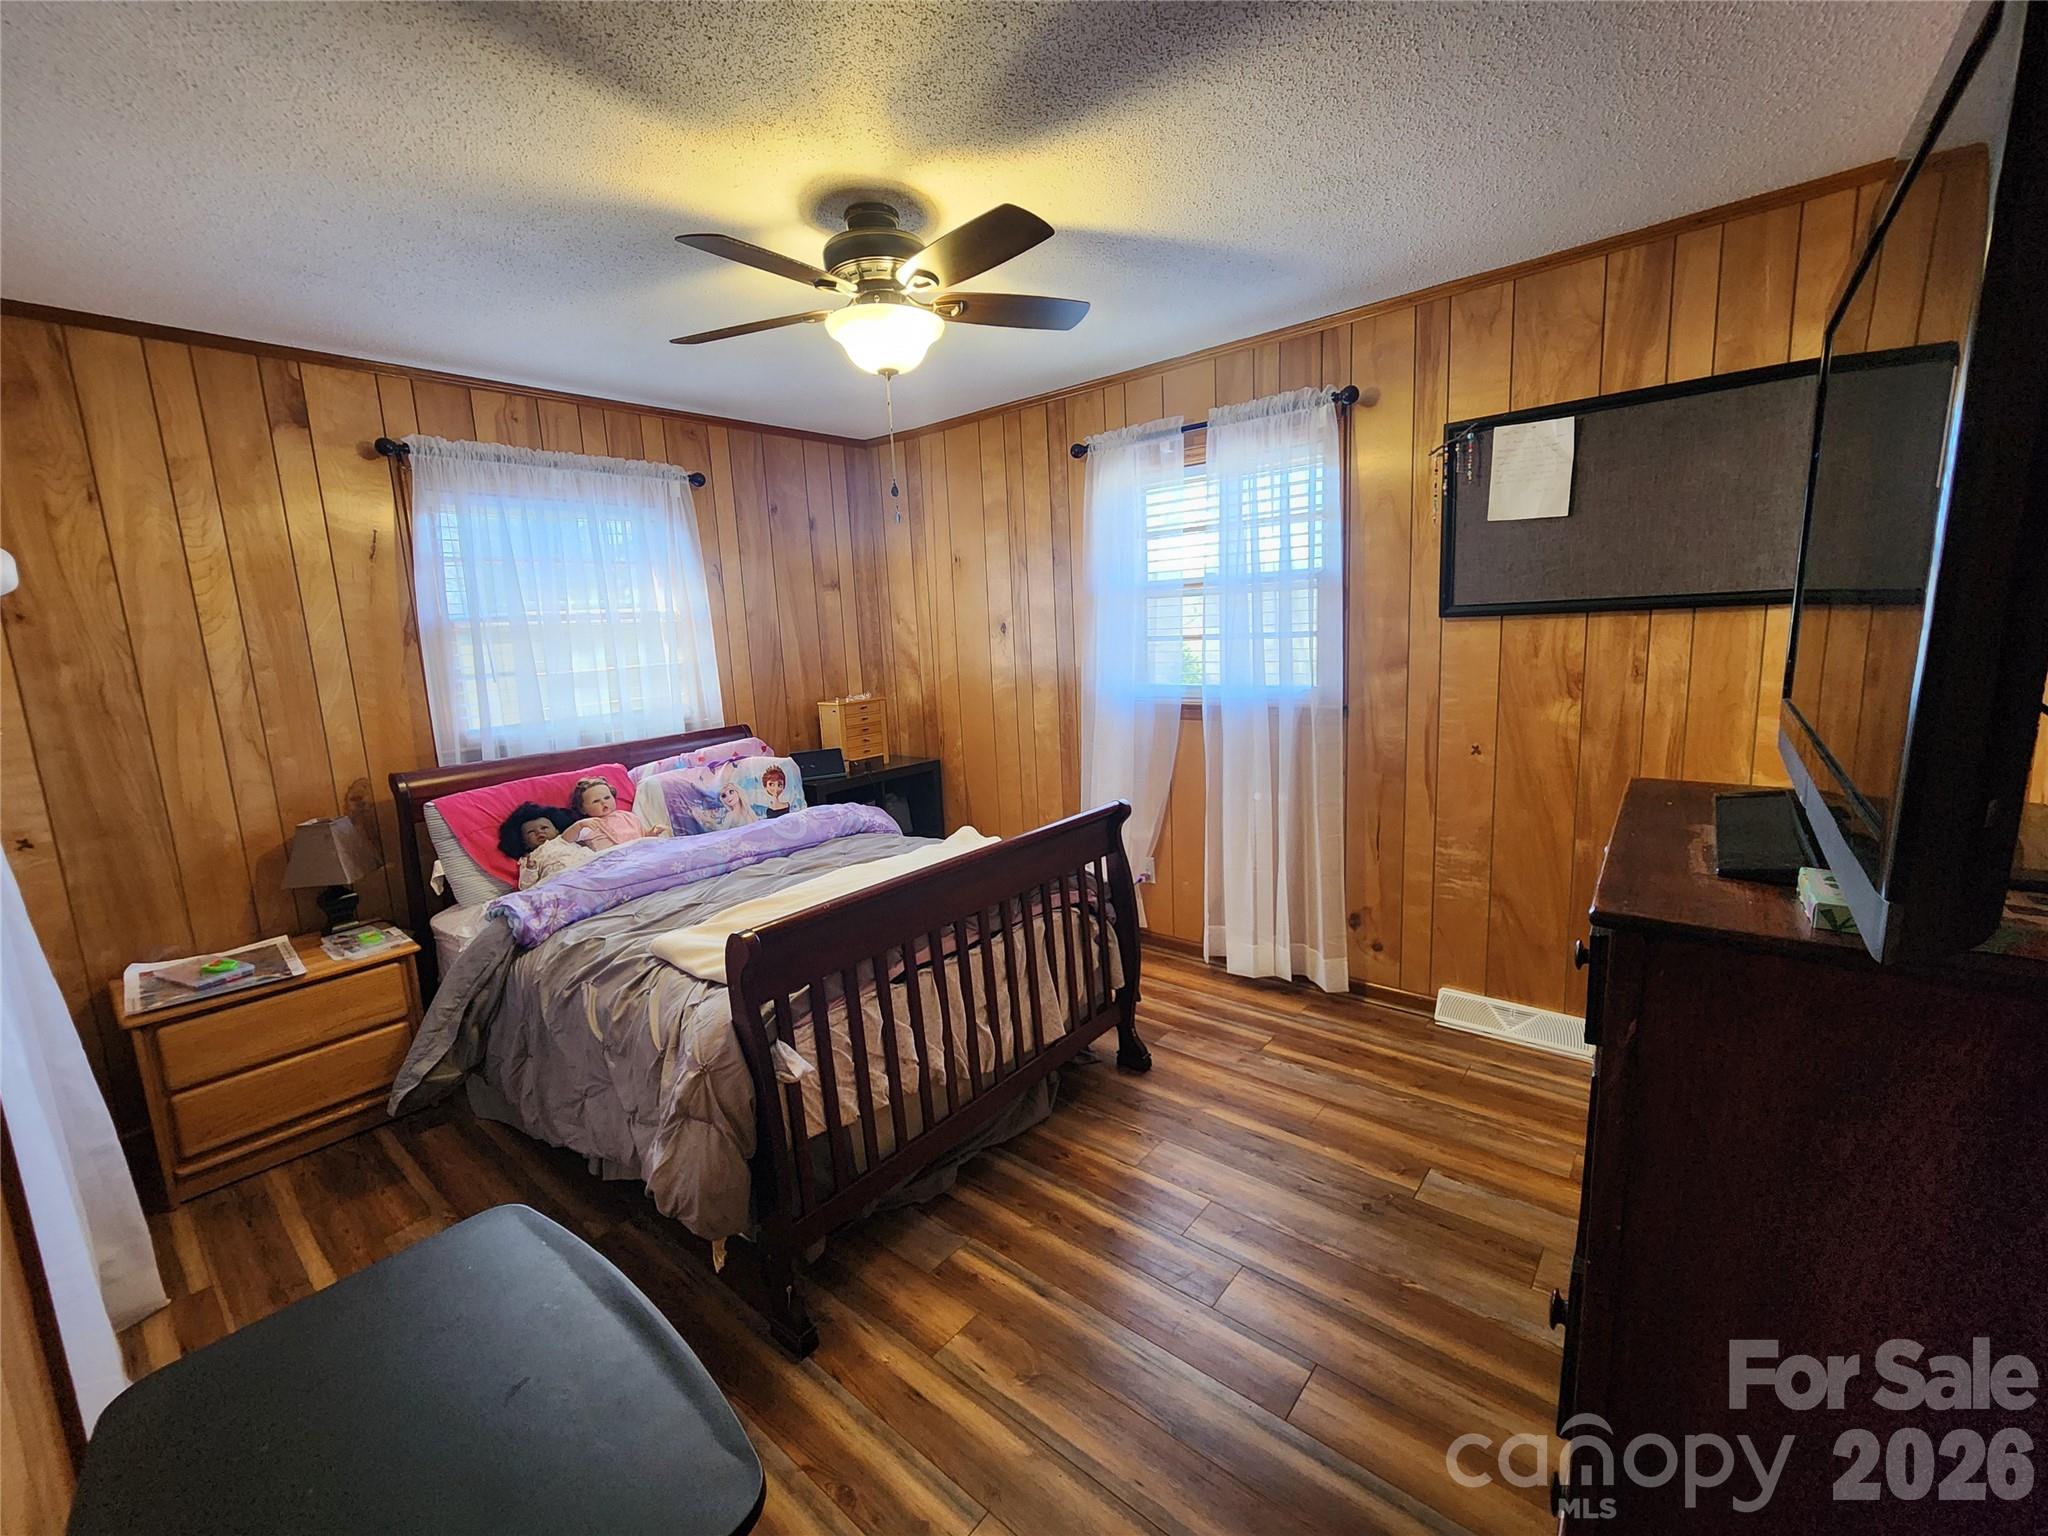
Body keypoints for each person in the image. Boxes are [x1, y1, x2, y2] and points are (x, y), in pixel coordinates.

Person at [496, 802, 596, 890]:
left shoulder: (564, 839)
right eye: (531, 832)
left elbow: (578, 830)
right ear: (524, 842)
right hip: (562, 882)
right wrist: (531, 870)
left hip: (589, 869)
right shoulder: (529, 858)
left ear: (557, 830)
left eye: (544, 828)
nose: (539, 832)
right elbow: (526, 887)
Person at [561, 777, 656, 851]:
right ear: (583, 809)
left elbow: (642, 837)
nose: (603, 803)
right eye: (596, 801)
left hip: (640, 853)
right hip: (613, 861)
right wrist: (578, 826)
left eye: (607, 798)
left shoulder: (629, 816)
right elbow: (564, 840)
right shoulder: (588, 825)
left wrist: (652, 834)